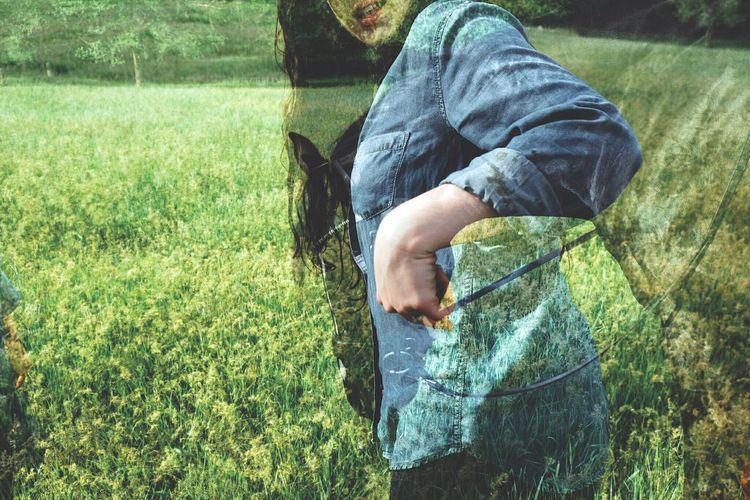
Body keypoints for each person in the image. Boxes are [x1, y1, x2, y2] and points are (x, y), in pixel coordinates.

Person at [286, 0, 642, 497]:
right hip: (441, 414)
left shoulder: (451, 29)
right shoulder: (382, 66)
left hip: (496, 424)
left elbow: (594, 132)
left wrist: (419, 222)